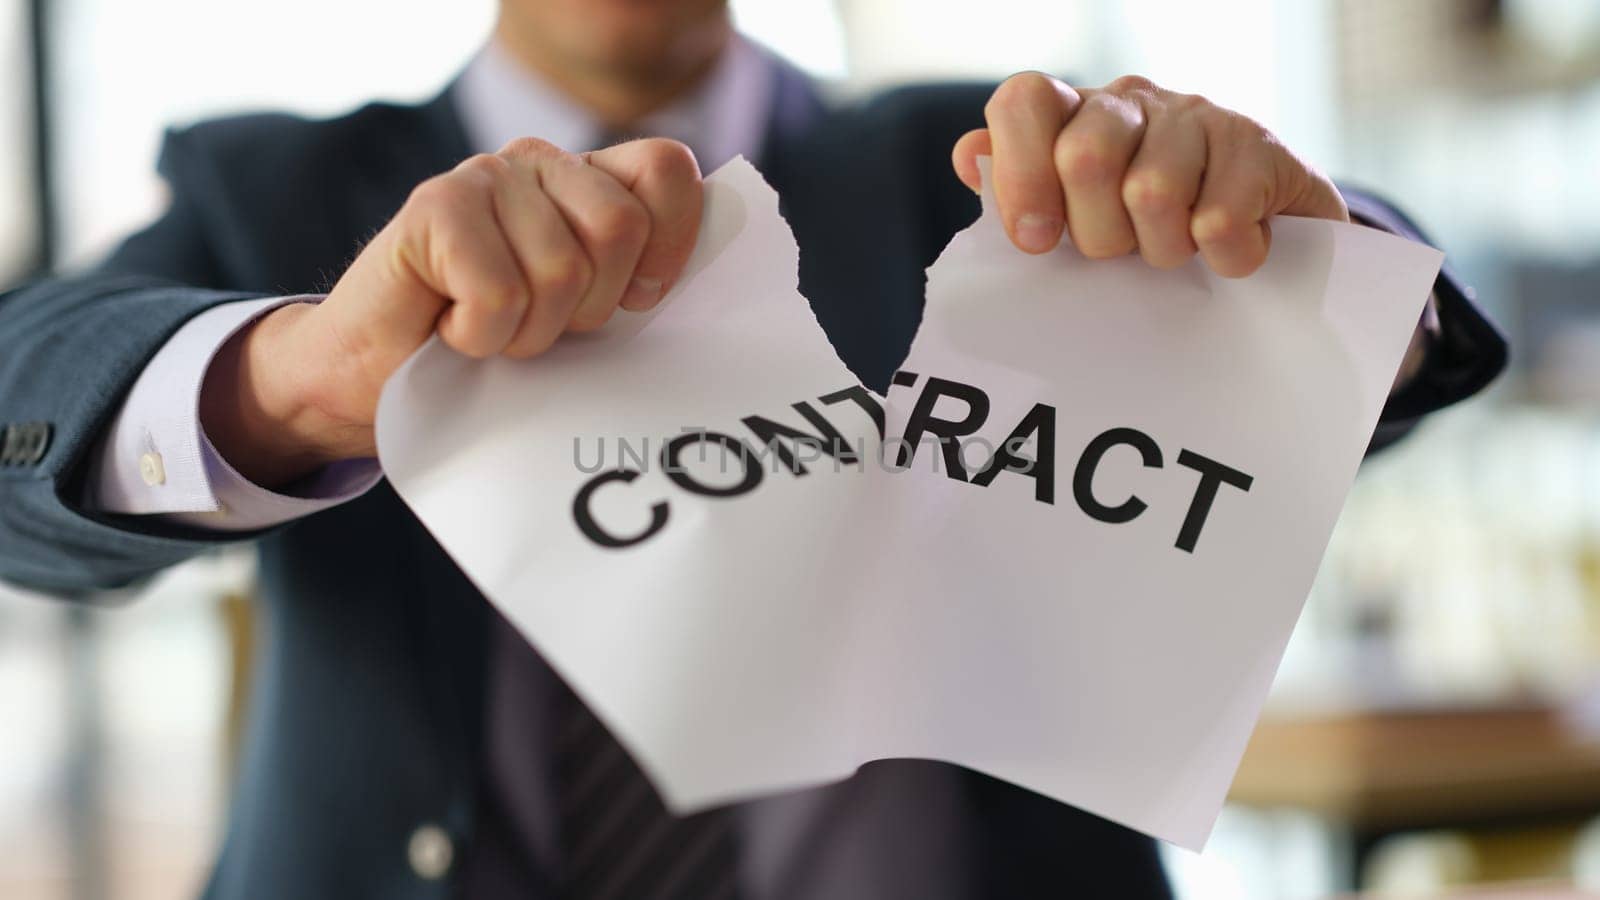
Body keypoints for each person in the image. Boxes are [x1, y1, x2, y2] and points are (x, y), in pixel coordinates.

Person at [0, 1, 1506, 897]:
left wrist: (1314, 263)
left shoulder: (978, 172)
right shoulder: (276, 189)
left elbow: (1384, 308)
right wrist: (295, 381)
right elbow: (31, 405)